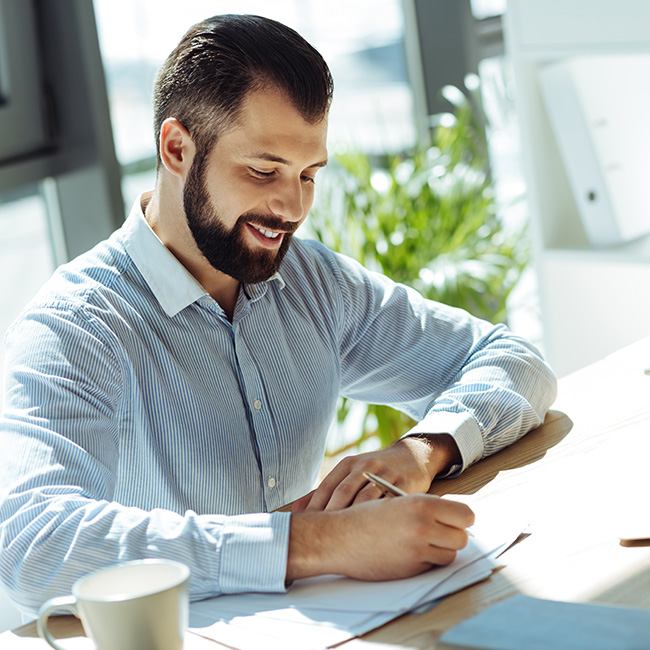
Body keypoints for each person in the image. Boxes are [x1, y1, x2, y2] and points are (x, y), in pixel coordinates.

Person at [0, 14, 556, 618]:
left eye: (309, 175)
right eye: (263, 171)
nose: (291, 208)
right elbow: (30, 544)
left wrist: (422, 450)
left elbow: (514, 361)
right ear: (177, 148)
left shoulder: (311, 282)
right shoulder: (74, 326)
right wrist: (314, 543)